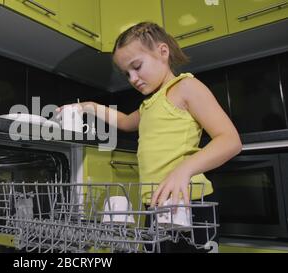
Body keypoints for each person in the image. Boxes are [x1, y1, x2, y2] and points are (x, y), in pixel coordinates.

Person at [56, 22, 242, 252]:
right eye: (127, 74)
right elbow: (124, 122)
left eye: (137, 66)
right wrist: (89, 106)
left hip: (188, 202)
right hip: (154, 204)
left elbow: (230, 140)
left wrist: (183, 171)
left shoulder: (186, 87)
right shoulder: (148, 105)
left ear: (163, 52)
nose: (133, 78)